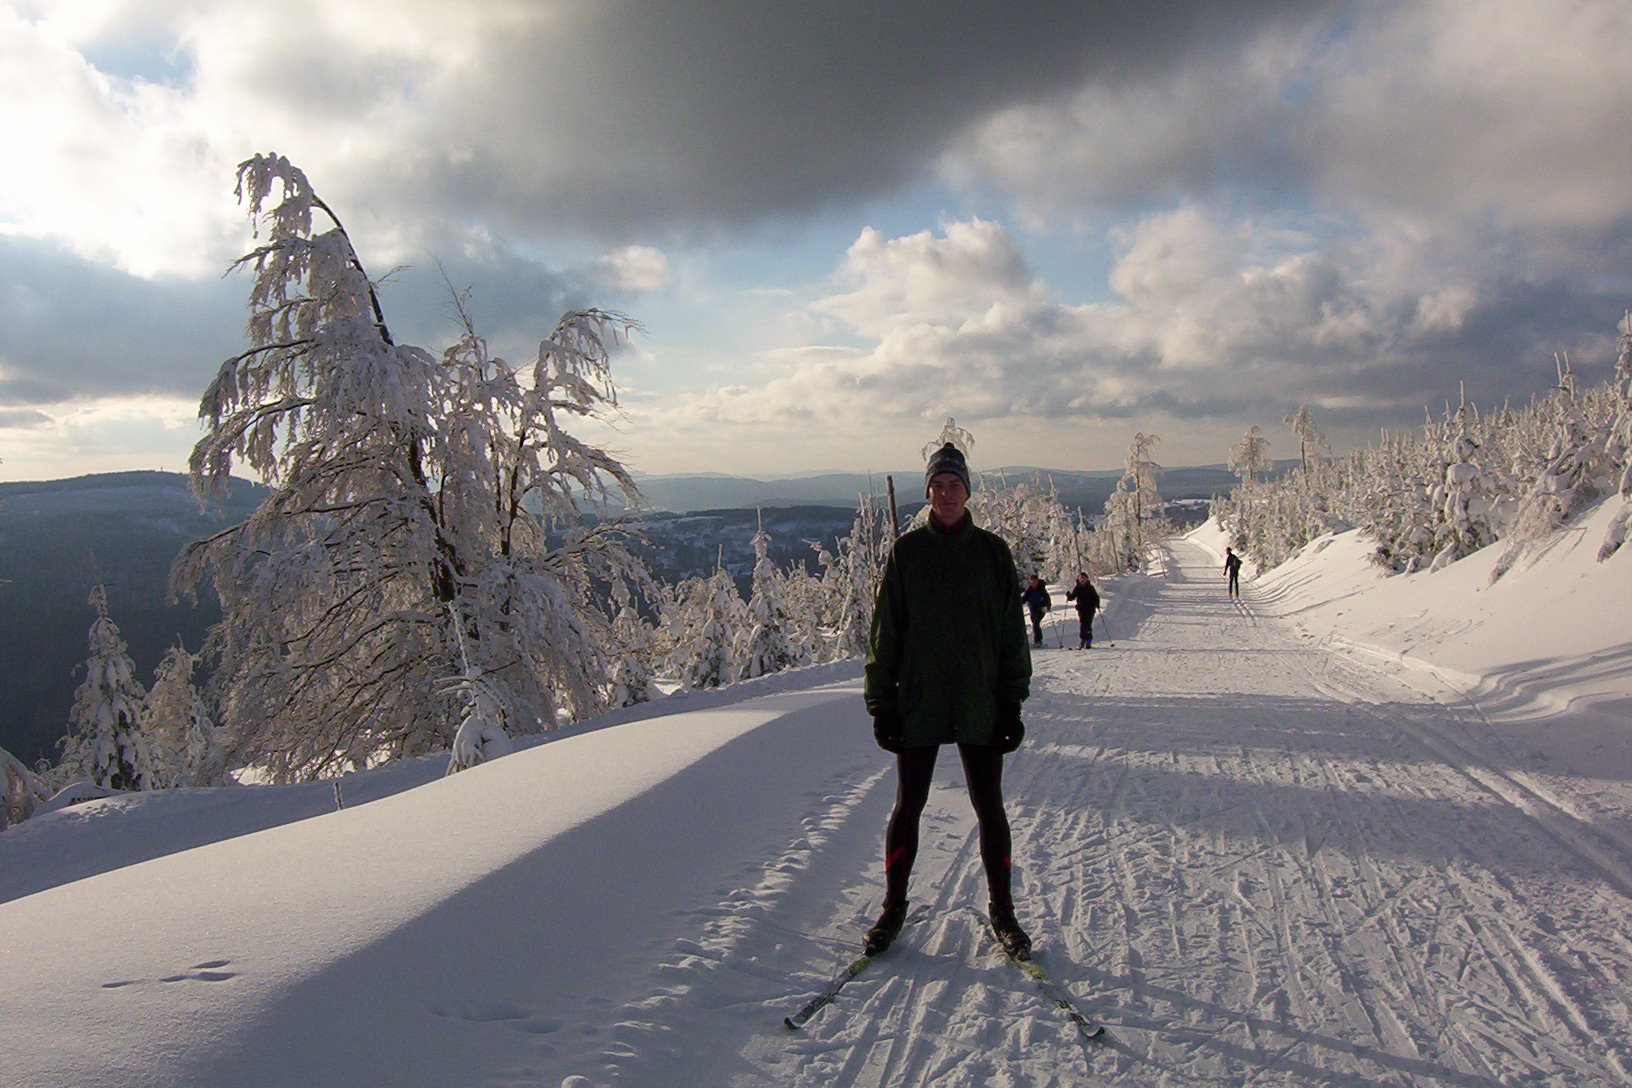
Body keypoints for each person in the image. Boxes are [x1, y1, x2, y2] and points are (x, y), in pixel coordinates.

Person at [863, 442, 1033, 958]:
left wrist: (1011, 701)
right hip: (920, 702)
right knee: (907, 808)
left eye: (953, 484)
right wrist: (881, 703)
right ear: (928, 492)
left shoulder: (992, 553)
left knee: (990, 809)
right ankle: (893, 910)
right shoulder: (907, 553)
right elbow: (885, 632)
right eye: (936, 486)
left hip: (979, 702)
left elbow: (1010, 633)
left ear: (967, 489)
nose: (944, 494)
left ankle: (1003, 913)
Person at [1065, 571, 1100, 649]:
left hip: (1090, 609)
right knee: (1083, 625)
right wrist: (1068, 596)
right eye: (1081, 578)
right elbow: (1073, 597)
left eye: (1083, 578)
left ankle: (1088, 641)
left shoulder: (1090, 587)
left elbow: (1096, 597)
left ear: (1086, 579)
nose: (1082, 579)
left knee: (1088, 625)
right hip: (1081, 609)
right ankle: (1083, 640)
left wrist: (1097, 604)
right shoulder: (1077, 588)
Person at [1021, 574, 1052, 646]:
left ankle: (1038, 641)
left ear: (1037, 581)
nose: (1033, 583)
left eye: (1034, 581)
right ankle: (1037, 640)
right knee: (1035, 624)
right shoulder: (1029, 590)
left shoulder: (1041, 589)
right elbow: (1024, 599)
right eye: (1031, 582)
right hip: (1033, 610)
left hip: (1040, 609)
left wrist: (1047, 606)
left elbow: (1047, 599)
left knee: (1036, 624)